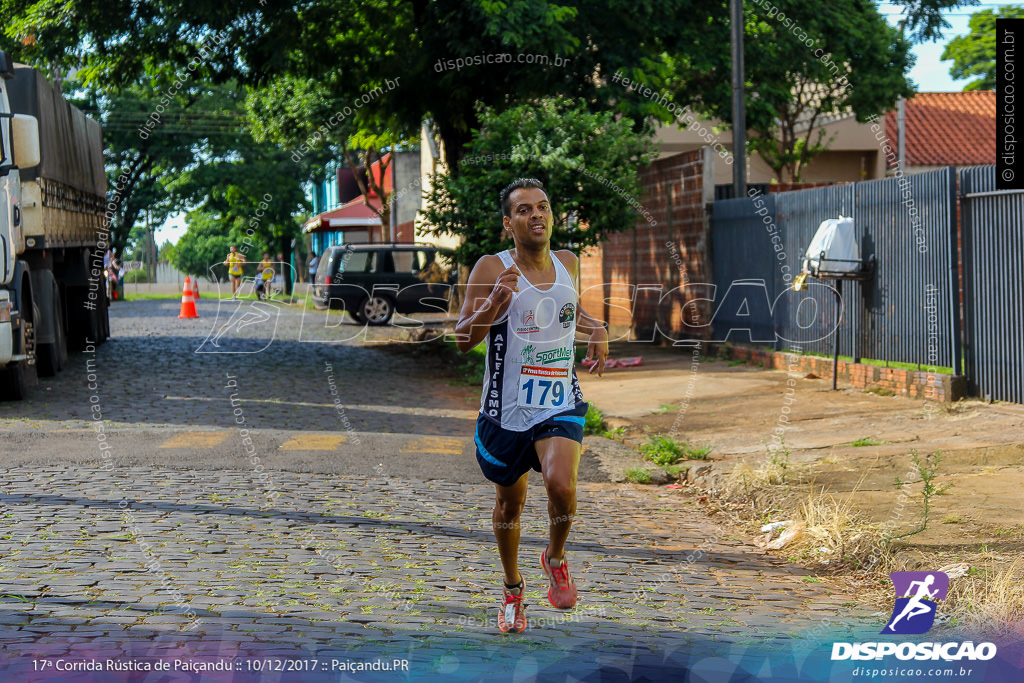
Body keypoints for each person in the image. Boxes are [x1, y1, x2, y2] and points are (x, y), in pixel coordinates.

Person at [455, 178, 609, 633]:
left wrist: (595, 326)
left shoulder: (568, 262)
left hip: (558, 398)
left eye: (542, 207)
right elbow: (464, 339)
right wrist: (494, 306)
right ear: (509, 223)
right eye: (524, 210)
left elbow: (565, 312)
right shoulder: (490, 268)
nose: (536, 215)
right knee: (509, 507)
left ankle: (555, 557)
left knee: (561, 485)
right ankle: (512, 589)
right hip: (506, 410)